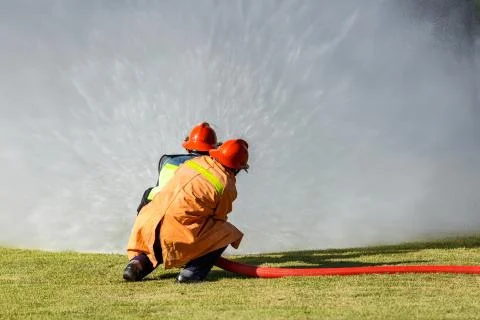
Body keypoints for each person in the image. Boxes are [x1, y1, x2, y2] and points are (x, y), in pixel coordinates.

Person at [123, 139, 249, 283]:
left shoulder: (195, 162)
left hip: (146, 223)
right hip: (173, 231)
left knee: (157, 243)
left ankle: (136, 265)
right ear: (237, 167)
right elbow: (218, 219)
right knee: (227, 232)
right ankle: (191, 273)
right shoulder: (226, 184)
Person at [136, 122, 219, 213]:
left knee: (148, 192)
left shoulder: (168, 160)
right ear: (212, 150)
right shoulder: (213, 170)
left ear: (188, 148)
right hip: (181, 214)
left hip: (151, 206)